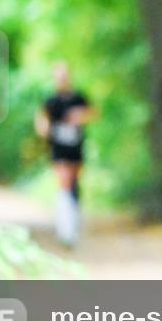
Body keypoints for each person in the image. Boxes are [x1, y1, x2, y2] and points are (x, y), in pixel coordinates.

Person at [35, 63, 95, 248]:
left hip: (76, 148)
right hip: (58, 149)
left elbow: (92, 113)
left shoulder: (79, 98)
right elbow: (41, 121)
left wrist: (80, 116)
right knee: (64, 183)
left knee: (74, 185)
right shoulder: (51, 101)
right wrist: (45, 129)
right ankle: (65, 229)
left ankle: (72, 221)